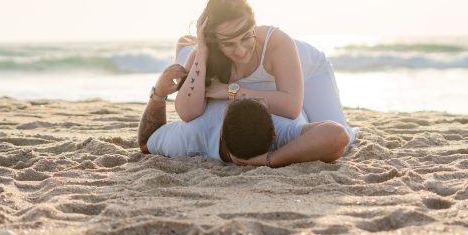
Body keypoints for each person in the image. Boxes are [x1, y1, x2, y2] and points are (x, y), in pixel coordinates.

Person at [174, 0, 357, 142]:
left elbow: (292, 108)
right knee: (187, 57)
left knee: (344, 139)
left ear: (254, 26)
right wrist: (203, 50)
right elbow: (187, 113)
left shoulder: (276, 41)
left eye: (246, 37)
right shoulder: (206, 50)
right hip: (203, 51)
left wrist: (232, 91)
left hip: (309, 71)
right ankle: (186, 44)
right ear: (214, 41)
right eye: (229, 43)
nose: (240, 51)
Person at [138, 64, 350, 167]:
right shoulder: (285, 133)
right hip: (302, 70)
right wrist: (270, 160)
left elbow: (147, 141)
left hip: (230, 72)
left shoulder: (194, 134)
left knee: (186, 51)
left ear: (221, 128)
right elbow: (338, 136)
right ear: (274, 132)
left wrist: (158, 95)